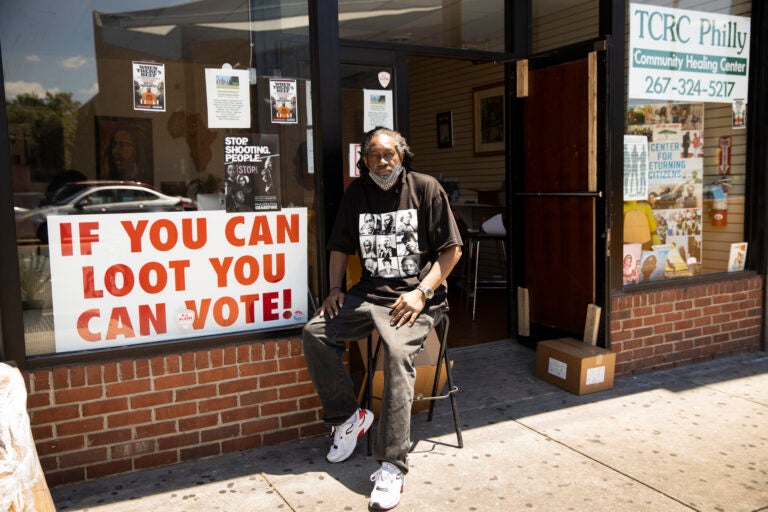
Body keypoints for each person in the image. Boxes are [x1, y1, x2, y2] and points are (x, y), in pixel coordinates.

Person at [302, 127, 462, 510]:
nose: (382, 161)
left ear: (402, 155)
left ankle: (392, 465)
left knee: (395, 356)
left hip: (416, 298)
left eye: (388, 154)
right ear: (365, 159)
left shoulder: (425, 188)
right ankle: (347, 417)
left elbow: (451, 251)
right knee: (316, 331)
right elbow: (340, 245)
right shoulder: (356, 193)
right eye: (374, 155)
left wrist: (422, 292)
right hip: (368, 294)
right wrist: (335, 288)